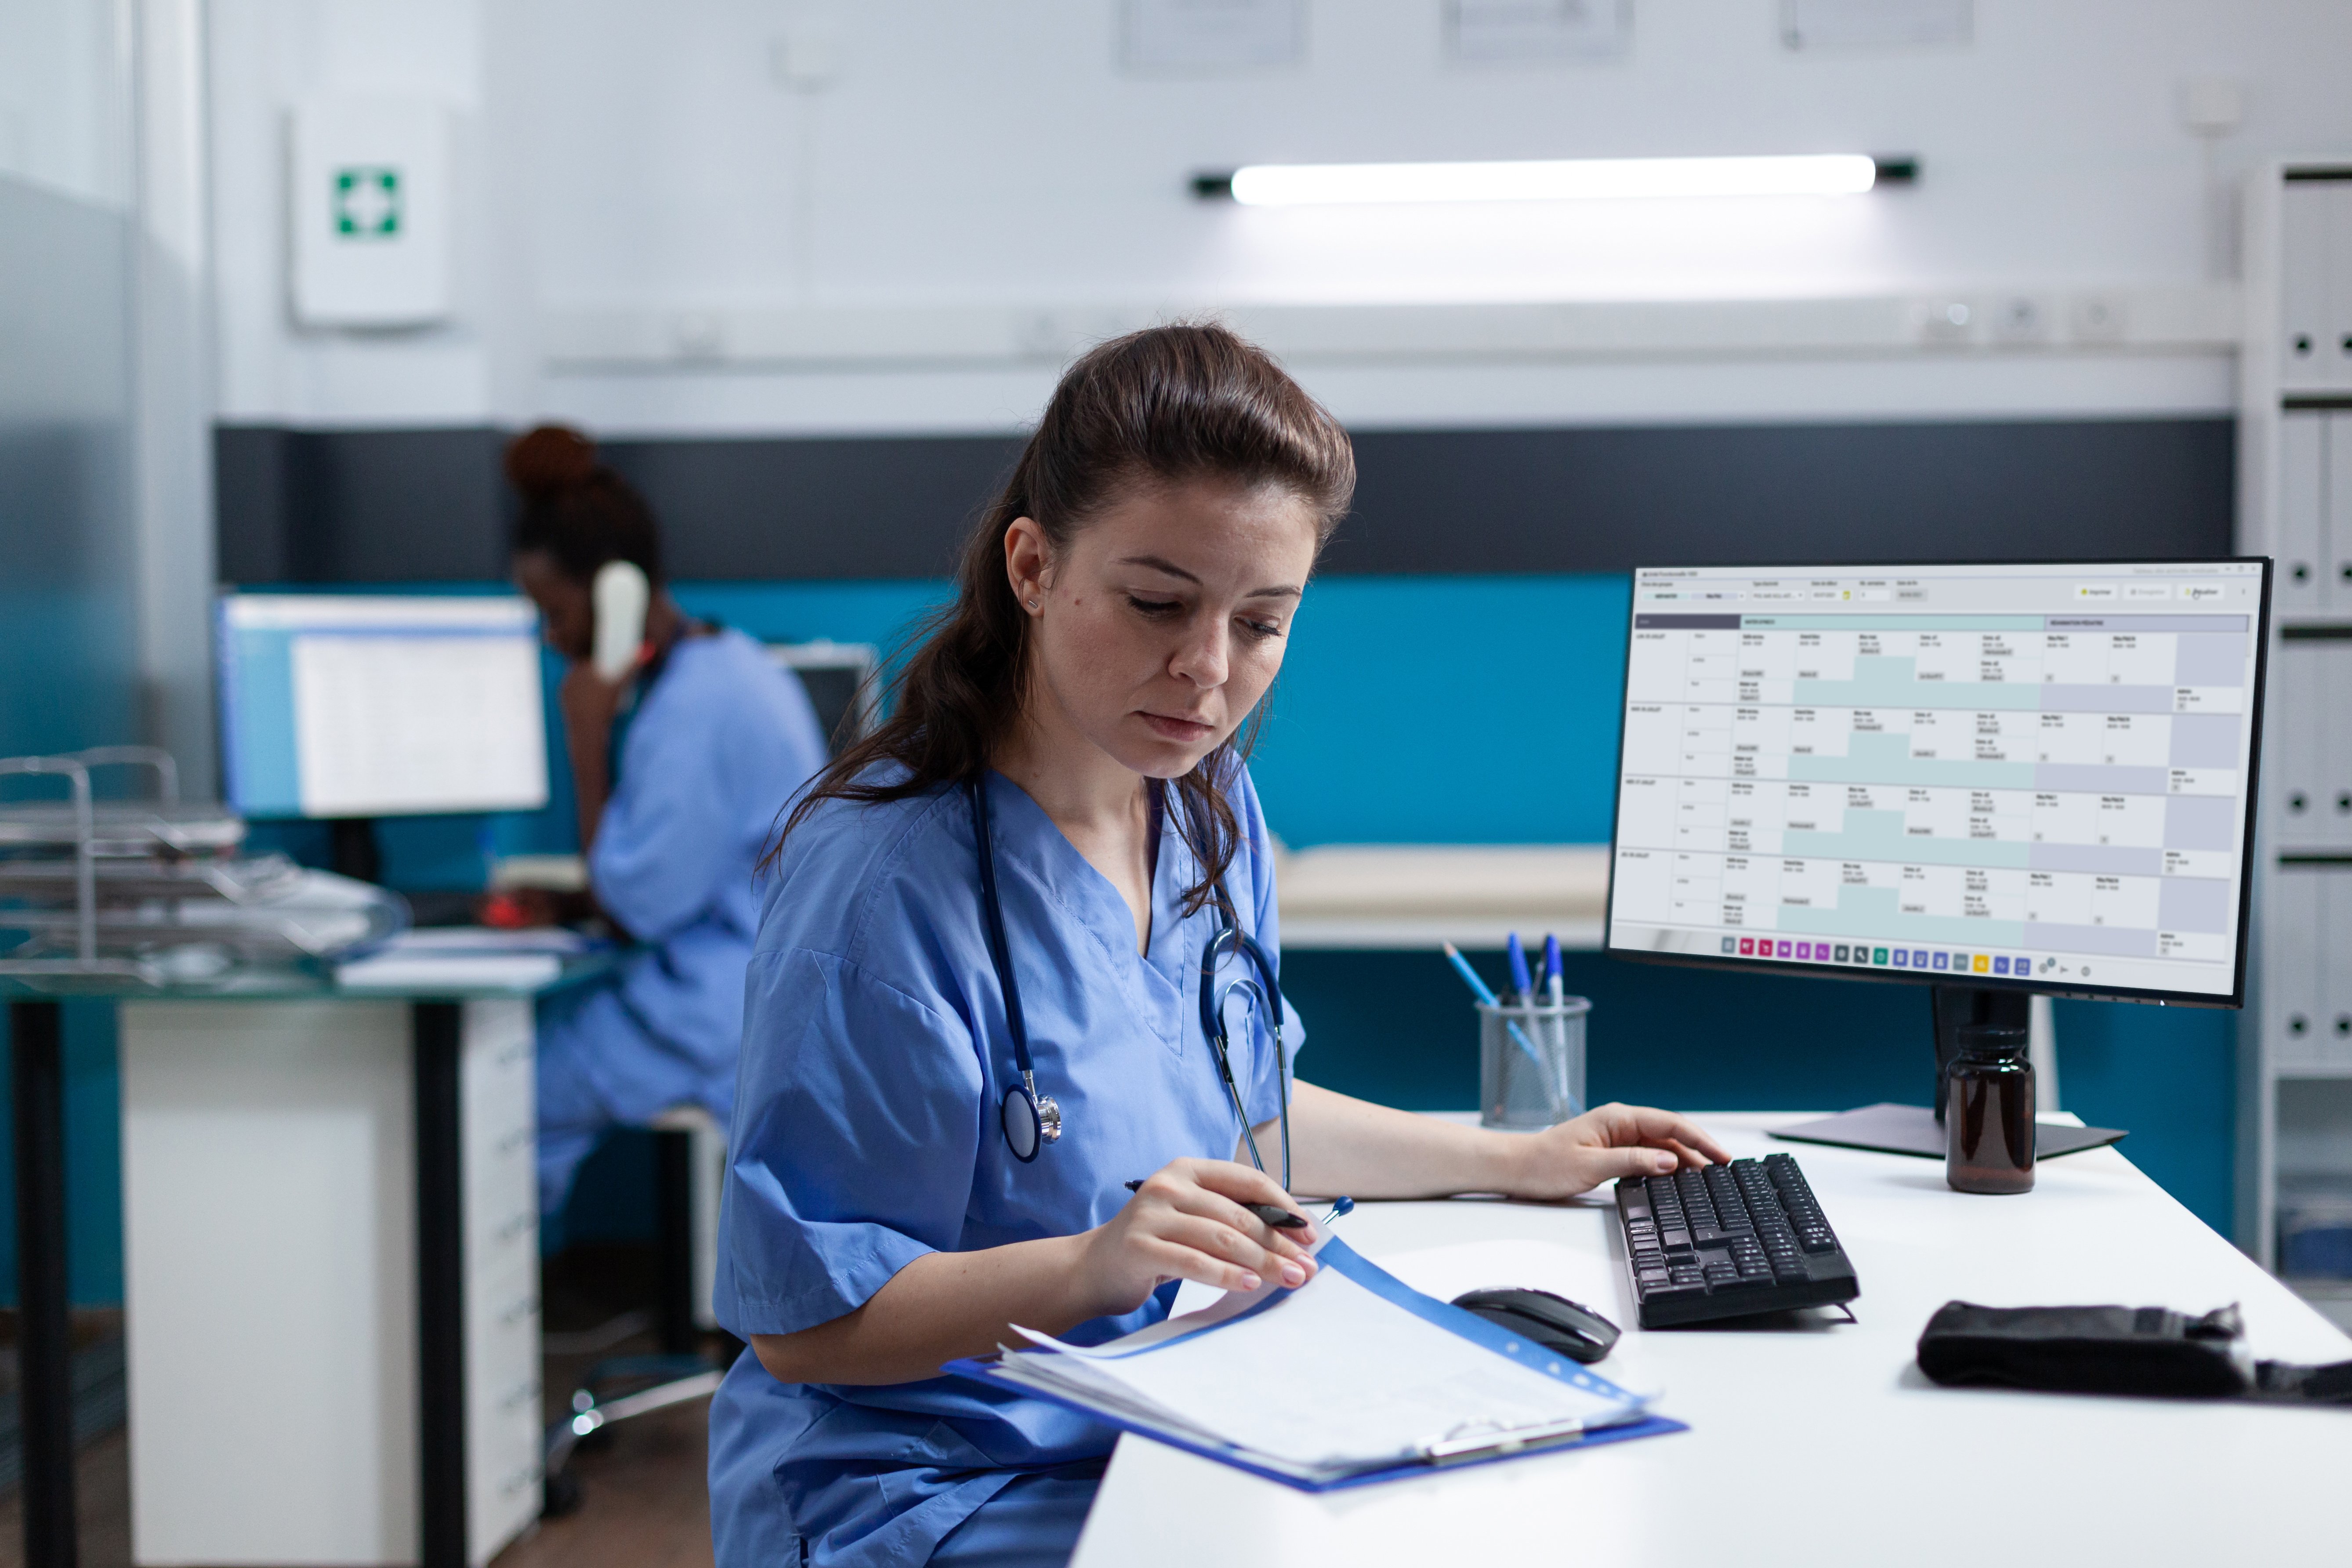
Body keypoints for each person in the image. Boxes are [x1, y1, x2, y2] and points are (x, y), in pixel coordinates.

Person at [707, 326, 1728, 1567]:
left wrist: (1513, 1158)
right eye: (1157, 604)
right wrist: (1092, 1264)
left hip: (1159, 1416)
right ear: (1032, 565)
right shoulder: (882, 889)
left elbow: (1232, 1113)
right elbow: (807, 1327)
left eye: (1261, 622)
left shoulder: (1202, 808)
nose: (1205, 671)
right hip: (931, 1484)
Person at [499, 425, 833, 1217]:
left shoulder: (688, 712)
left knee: (498, 1101)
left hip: (719, 1009)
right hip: (748, 985)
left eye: (554, 612)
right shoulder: (733, 665)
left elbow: (634, 906)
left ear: (615, 591)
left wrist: (586, 737)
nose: (552, 639)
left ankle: (476, 1329)